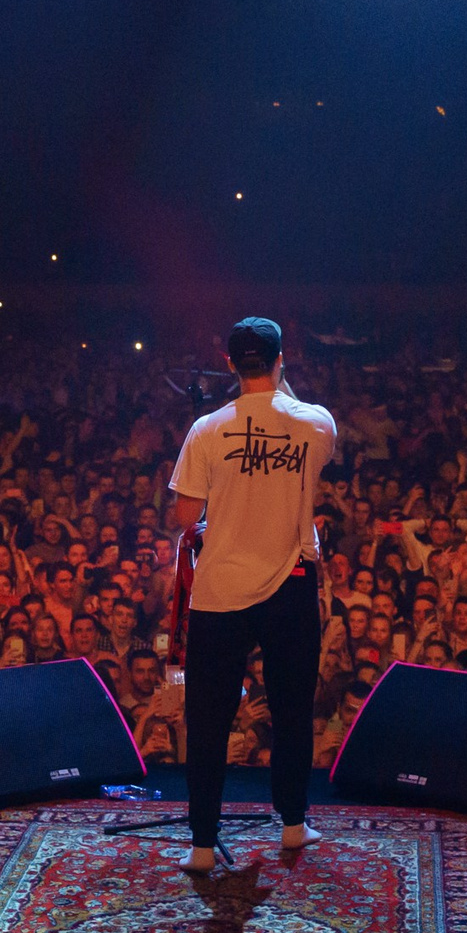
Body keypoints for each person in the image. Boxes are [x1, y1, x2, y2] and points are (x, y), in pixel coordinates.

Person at [168, 318, 336, 874]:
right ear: (281, 358)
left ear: (230, 363)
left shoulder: (206, 429)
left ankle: (202, 844)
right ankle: (292, 824)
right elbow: (301, 434)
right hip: (290, 582)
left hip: (221, 588)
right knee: (292, 707)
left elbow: (186, 515)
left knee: (209, 717)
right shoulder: (316, 422)